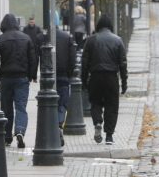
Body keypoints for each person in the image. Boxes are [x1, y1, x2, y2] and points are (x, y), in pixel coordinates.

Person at [81, 15, 127, 145]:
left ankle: (97, 122)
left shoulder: (90, 41)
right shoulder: (118, 40)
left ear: (98, 25)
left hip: (95, 76)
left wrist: (84, 80)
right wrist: (124, 83)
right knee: (111, 106)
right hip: (111, 77)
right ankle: (109, 136)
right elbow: (123, 64)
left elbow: (84, 63)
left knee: (95, 103)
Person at [0, 12, 37, 148]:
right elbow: (33, 58)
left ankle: (7, 136)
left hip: (6, 78)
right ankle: (19, 131)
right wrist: (32, 75)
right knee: (20, 107)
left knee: (6, 108)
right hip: (22, 77)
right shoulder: (26, 38)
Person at [53, 23, 76, 142]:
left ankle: (52, 128)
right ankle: (59, 124)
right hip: (64, 76)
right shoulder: (67, 37)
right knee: (62, 103)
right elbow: (72, 58)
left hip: (50, 76)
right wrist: (71, 74)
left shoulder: (46, 38)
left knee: (51, 103)